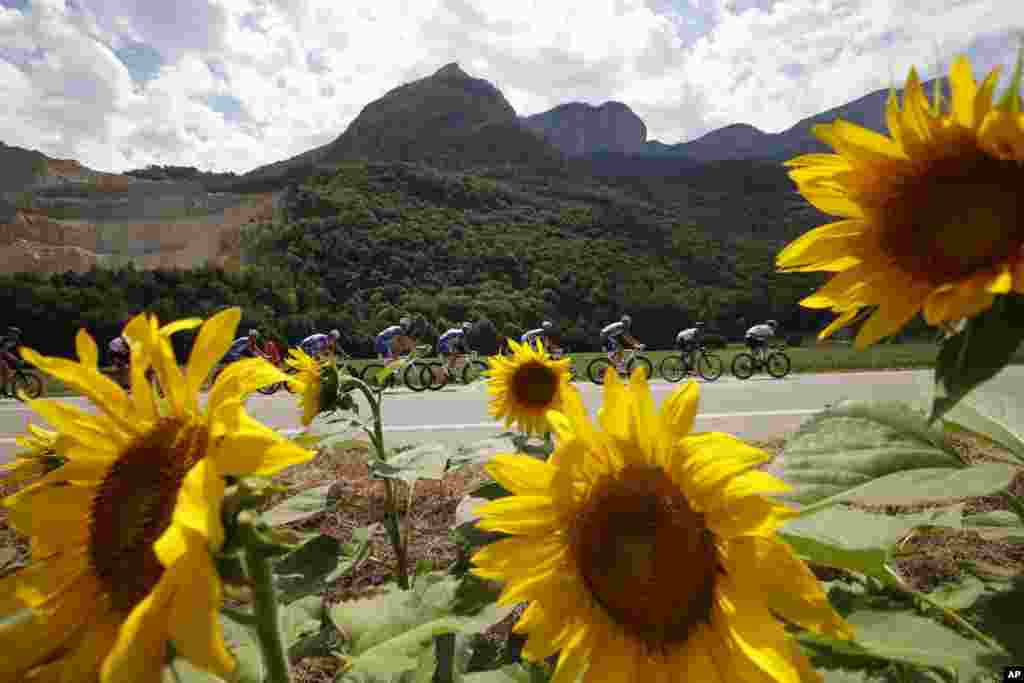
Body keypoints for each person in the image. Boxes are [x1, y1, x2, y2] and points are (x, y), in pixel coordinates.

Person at [0, 326, 22, 392]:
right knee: (5, 369)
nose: (17, 336)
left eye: (18, 334)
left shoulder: (14, 341)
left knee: (6, 371)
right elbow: (2, 351)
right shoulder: (4, 340)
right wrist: (13, 358)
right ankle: (3, 389)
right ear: (11, 334)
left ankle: (3, 389)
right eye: (16, 334)